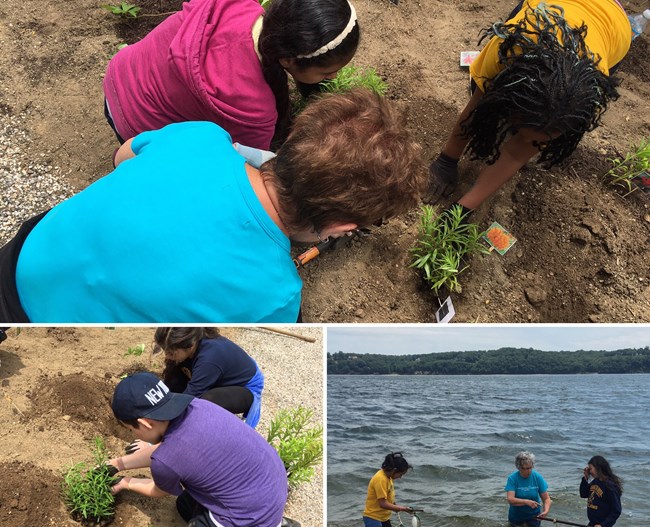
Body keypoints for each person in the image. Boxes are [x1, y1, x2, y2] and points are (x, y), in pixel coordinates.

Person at [0, 88, 426, 323]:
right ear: (341, 225)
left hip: (25, 254)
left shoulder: (201, 137)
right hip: (35, 320)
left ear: (294, 139)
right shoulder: (275, 296)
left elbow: (122, 157)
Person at [108, 372, 302, 527]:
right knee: (184, 505)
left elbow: (158, 488)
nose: (133, 434)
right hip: (268, 492)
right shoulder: (197, 407)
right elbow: (169, 449)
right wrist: (118, 464)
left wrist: (126, 482)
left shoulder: (167, 460)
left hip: (247, 524)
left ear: (144, 423)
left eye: (131, 430)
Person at [427, 0, 631, 213]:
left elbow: (517, 154)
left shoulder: (591, 94)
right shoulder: (511, 46)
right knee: (484, 98)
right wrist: (446, 161)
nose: (526, 142)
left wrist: (463, 209)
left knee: (533, 132)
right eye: (524, 133)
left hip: (615, 26)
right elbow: (475, 108)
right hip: (551, 7)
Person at [103, 0, 359, 149]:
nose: (334, 78)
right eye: (328, 71)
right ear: (289, 59)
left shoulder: (237, 6)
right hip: (134, 125)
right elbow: (245, 168)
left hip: (119, 73)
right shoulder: (255, 107)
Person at [153, 327, 264, 428]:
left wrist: (163, 424)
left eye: (172, 353)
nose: (167, 356)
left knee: (205, 402)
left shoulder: (209, 359)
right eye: (165, 351)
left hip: (244, 387)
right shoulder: (192, 342)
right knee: (173, 378)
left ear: (190, 346)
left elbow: (190, 397)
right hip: (217, 376)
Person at [361, 452, 414, 527]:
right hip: (373, 516)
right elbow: (383, 503)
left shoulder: (388, 477)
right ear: (394, 470)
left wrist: (395, 506)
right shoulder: (380, 479)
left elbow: (388, 497)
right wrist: (402, 509)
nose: (400, 477)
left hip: (383, 517)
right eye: (401, 474)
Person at [580, 455, 622, 527]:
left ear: (598, 468)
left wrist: (603, 525)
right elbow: (583, 494)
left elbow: (616, 510)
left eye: (590, 469)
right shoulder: (595, 481)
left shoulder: (610, 486)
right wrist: (585, 478)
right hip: (592, 525)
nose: (589, 471)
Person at [505, 451, 551, 527]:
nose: (528, 471)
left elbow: (546, 498)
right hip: (516, 516)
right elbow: (510, 500)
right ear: (518, 467)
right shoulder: (512, 478)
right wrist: (526, 502)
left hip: (534, 515)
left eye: (530, 468)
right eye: (524, 469)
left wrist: (545, 511)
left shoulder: (537, 477)